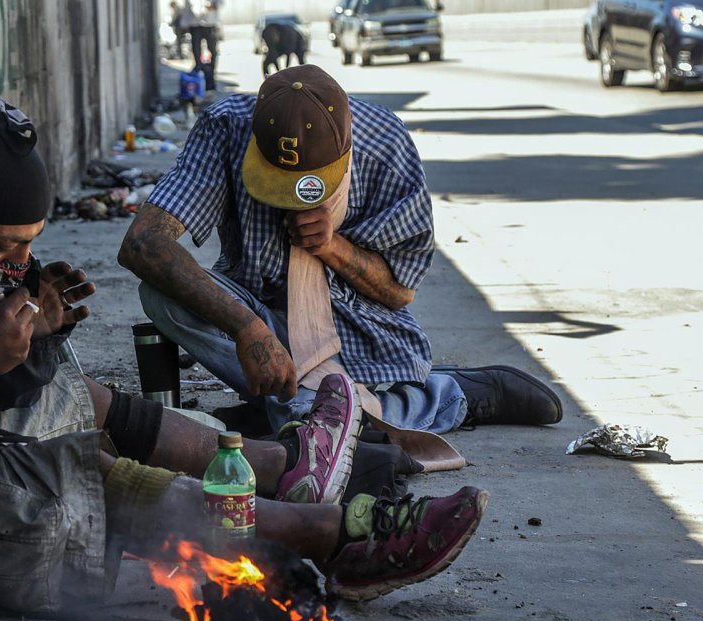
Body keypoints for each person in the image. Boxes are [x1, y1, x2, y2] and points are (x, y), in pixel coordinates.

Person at [0, 76, 489, 610]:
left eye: (29, 245)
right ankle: (326, 537)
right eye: (3, 245)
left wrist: (30, 323)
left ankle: (283, 468)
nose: (16, 263)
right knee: (80, 478)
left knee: (65, 392)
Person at [118, 65, 562, 436]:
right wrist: (247, 329)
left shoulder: (384, 146)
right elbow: (143, 243)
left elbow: (399, 291)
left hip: (357, 329)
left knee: (317, 429)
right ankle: (292, 409)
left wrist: (333, 247)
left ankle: (448, 396)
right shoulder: (227, 126)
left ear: (346, 149)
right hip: (260, 312)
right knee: (158, 291)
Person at [188, 1, 221, 91]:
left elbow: (219, 4)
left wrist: (212, 6)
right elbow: (195, 9)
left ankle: (210, 74)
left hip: (210, 24)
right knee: (196, 50)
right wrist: (206, 8)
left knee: (213, 50)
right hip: (196, 24)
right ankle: (199, 70)